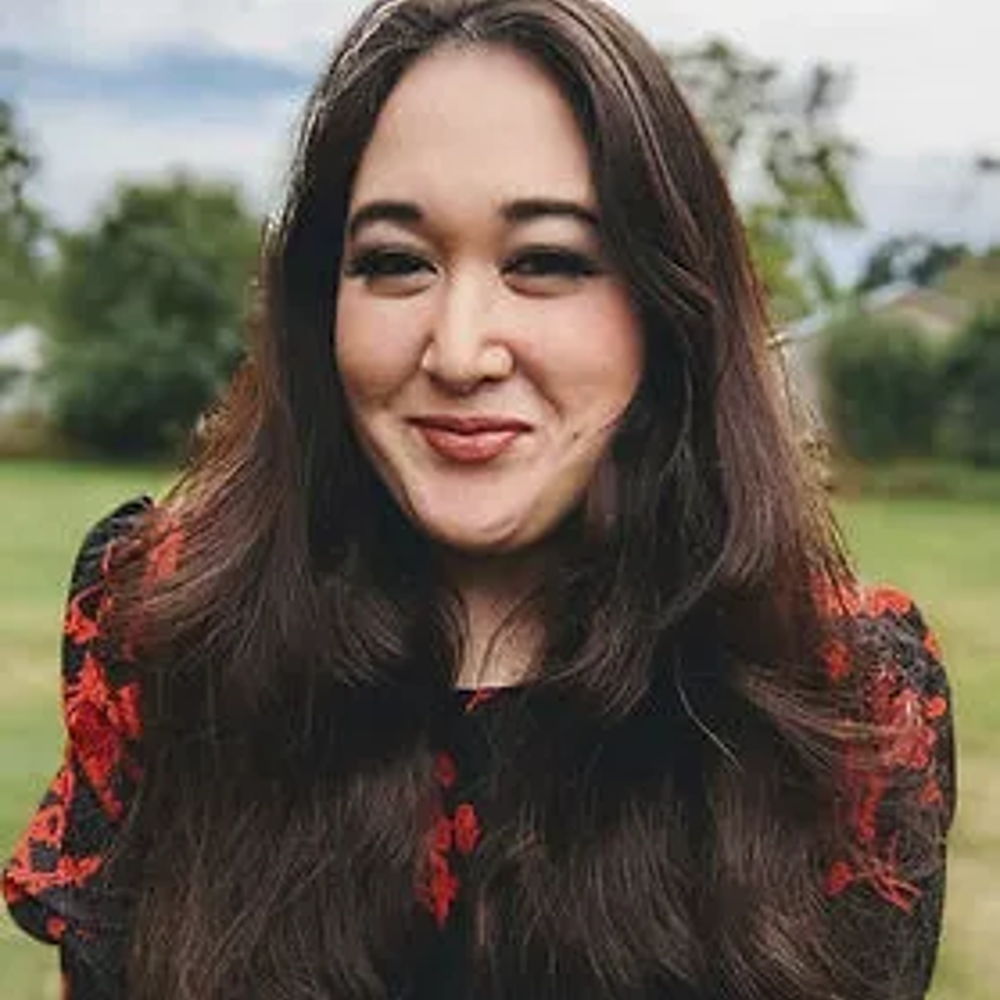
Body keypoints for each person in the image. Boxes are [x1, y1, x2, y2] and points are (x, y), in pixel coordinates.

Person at [3, 1, 955, 997]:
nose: (459, 352)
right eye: (393, 262)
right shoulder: (165, 637)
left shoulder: (841, 706)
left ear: (668, 305)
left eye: (546, 261)